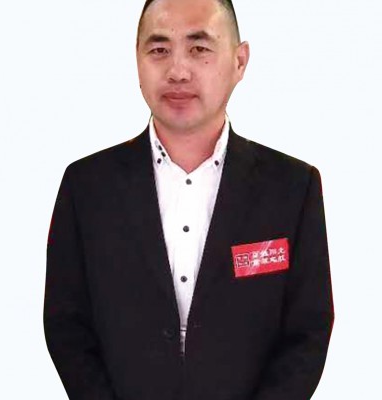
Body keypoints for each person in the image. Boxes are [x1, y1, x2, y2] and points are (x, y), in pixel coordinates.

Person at [43, 0, 334, 399]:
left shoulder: (292, 188)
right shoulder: (86, 187)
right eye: (159, 49)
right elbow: (67, 325)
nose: (178, 71)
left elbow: (308, 330)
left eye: (199, 48)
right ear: (137, 60)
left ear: (239, 61)